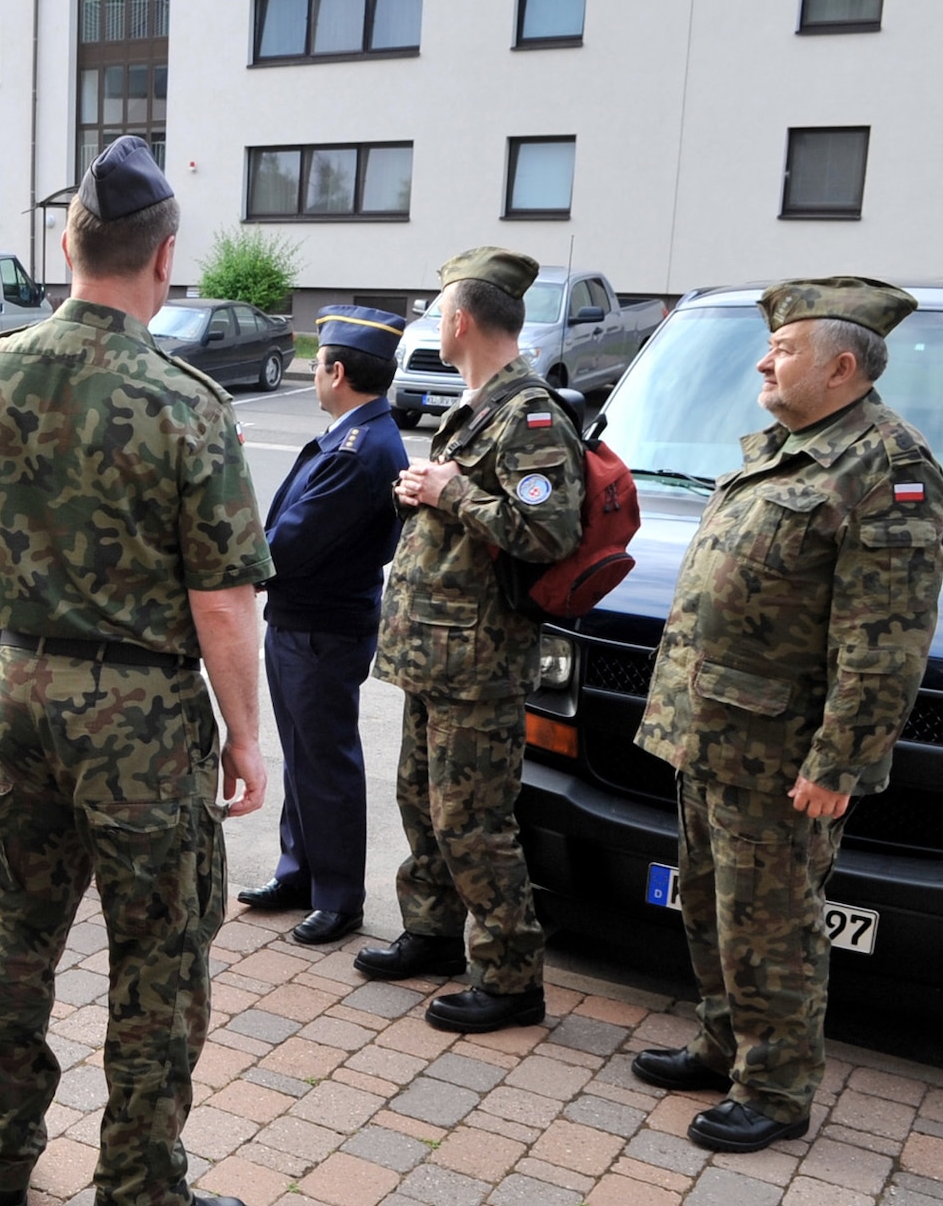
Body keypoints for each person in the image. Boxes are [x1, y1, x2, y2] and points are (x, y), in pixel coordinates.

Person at [0, 136, 271, 1206]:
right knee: (157, 953)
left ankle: (0, 1158)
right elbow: (224, 602)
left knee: (17, 932)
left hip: (20, 687)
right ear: (164, 258)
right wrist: (245, 736)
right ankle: (137, 1198)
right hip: (138, 715)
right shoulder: (181, 399)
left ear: (66, 244)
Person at [633, 278, 943, 1153]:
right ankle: (723, 1042)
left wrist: (838, 763)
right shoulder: (789, 446)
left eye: (786, 349)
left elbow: (884, 642)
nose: (765, 360)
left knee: (772, 921)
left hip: (781, 753)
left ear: (842, 366)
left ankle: (774, 1090)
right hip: (713, 732)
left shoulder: (887, 468)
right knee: (708, 902)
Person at [355, 247, 584, 1034]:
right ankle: (432, 931)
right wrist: (425, 495)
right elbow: (473, 512)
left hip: (480, 660)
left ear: (459, 321)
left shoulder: (531, 414)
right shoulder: (479, 405)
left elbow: (550, 530)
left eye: (437, 313)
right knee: (421, 801)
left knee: (473, 820)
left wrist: (452, 492)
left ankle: (511, 977)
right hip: (438, 653)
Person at [237, 307, 409, 944]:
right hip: (306, 621)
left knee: (325, 760)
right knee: (305, 755)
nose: (312, 376)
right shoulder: (355, 435)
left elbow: (288, 545)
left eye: (316, 367)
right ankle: (301, 871)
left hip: (321, 626)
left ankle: (338, 896)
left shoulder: (356, 448)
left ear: (337, 371)